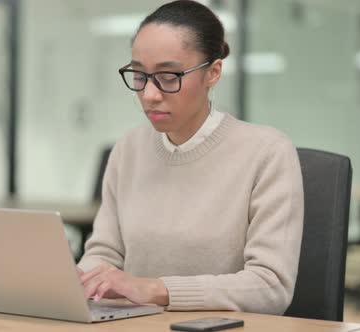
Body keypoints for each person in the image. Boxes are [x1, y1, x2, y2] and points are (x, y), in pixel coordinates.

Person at [76, 0, 304, 315]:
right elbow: (104, 254)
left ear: (213, 73)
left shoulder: (267, 153)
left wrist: (154, 289)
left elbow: (270, 286)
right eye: (139, 75)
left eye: (169, 77)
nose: (149, 95)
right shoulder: (127, 150)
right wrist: (81, 279)